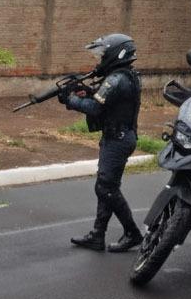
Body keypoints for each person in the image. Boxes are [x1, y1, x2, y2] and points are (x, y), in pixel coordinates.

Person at [60, 33, 143, 252]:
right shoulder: (126, 76)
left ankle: (133, 233)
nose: (99, 60)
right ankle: (98, 235)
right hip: (119, 137)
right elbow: (106, 101)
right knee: (107, 187)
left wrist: (70, 100)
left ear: (117, 54)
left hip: (118, 139)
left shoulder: (116, 80)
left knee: (105, 187)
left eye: (103, 55)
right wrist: (87, 92)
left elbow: (96, 108)